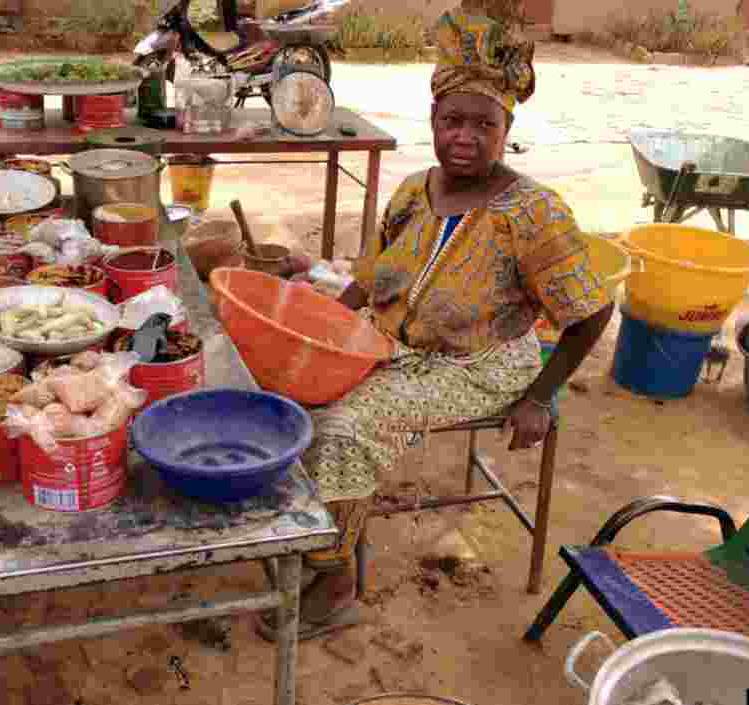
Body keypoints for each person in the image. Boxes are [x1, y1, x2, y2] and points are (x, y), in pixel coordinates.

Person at [258, 6, 616, 641]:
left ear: (507, 129)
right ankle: (312, 528)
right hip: (395, 341)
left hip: (479, 365)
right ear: (433, 123)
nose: (465, 137)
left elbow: (591, 312)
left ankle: (335, 578)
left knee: (344, 426)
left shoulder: (533, 213)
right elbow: (370, 279)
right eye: (452, 121)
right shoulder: (413, 192)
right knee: (292, 390)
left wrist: (540, 396)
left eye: (485, 124)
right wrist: (322, 334)